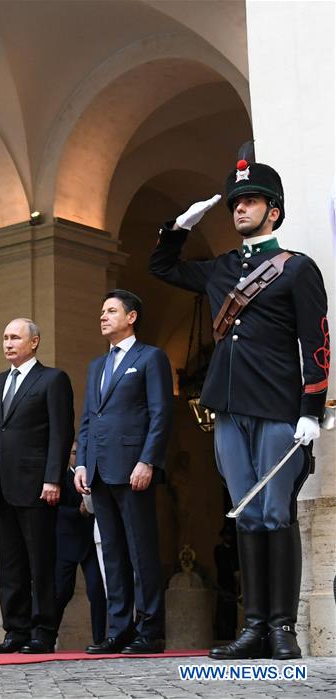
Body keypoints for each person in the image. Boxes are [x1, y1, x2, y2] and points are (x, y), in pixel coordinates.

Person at [150, 159, 328, 660]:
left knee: (276, 513)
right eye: (235, 203)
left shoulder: (296, 268)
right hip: (227, 407)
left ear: (274, 210)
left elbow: (317, 343)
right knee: (247, 517)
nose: (239, 209)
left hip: (276, 406)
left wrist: (310, 407)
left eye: (249, 201)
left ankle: (282, 628)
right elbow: (162, 268)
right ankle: (253, 628)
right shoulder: (222, 268)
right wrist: (177, 228)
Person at [74, 290, 173, 654]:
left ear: (131, 317)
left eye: (111, 311)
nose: (103, 316)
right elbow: (87, 419)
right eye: (102, 311)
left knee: (141, 551)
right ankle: (119, 629)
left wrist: (148, 461)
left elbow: (161, 413)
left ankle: (150, 631)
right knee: (112, 553)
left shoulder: (151, 358)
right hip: (99, 471)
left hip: (134, 469)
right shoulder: (96, 367)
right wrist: (82, 462)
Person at [0, 318, 74, 654]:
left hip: (37, 487)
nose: (8, 343)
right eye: (5, 337)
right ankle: (15, 631)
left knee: (41, 563)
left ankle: (44, 632)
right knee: (9, 565)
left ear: (34, 342)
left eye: (15, 337)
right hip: (2, 488)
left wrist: (53, 478)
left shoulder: (52, 379)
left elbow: (61, 433)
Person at [55, 442, 106, 646]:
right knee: (61, 593)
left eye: (80, 452)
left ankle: (100, 640)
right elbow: (55, 511)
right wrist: (78, 512)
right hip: (66, 543)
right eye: (74, 453)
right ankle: (47, 635)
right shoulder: (61, 478)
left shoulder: (93, 476)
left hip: (90, 544)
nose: (77, 457)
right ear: (68, 456)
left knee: (97, 592)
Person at [213, 523, 239, 641]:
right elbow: (221, 564)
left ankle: (230, 632)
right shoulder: (219, 549)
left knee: (233, 608)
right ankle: (222, 633)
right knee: (223, 608)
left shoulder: (235, 550)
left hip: (233, 583)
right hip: (223, 581)